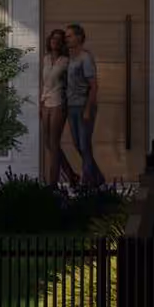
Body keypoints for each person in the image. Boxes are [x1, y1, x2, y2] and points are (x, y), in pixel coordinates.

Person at [63, 23, 105, 188]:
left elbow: (94, 86)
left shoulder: (85, 58)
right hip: (71, 106)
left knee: (84, 145)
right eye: (66, 36)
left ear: (79, 37)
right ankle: (98, 177)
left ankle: (86, 182)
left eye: (69, 36)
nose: (67, 39)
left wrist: (88, 109)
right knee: (78, 145)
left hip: (83, 106)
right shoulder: (71, 58)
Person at [38, 29, 79, 186]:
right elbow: (45, 83)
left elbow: (71, 85)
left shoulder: (66, 61)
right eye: (53, 38)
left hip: (58, 103)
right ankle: (71, 175)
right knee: (49, 143)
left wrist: (68, 103)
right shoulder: (46, 59)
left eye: (58, 39)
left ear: (62, 43)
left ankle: (52, 184)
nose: (55, 41)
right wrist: (41, 103)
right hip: (46, 102)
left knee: (54, 144)